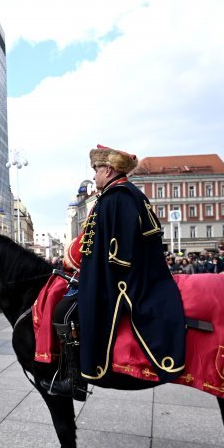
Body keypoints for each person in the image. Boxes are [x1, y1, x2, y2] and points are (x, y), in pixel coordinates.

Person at [44, 145, 186, 398]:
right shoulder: (123, 194)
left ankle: (76, 380)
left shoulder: (116, 198)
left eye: (96, 169)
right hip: (131, 272)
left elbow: (112, 254)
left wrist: (88, 278)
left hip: (124, 280)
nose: (94, 175)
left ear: (108, 169)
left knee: (64, 312)